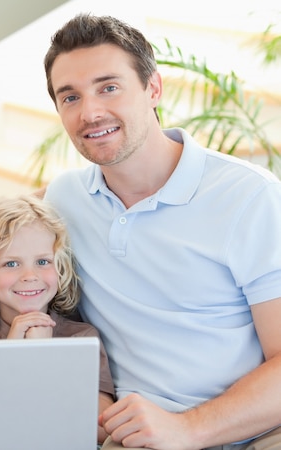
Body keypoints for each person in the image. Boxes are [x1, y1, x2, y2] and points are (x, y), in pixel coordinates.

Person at [41, 13, 281, 450]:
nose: (90, 112)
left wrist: (189, 429)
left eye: (108, 87)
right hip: (136, 435)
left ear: (153, 89)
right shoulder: (65, 199)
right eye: (70, 97)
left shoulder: (250, 198)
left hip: (256, 431)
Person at [0, 195, 115, 444]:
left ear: (59, 267)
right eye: (11, 263)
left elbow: (103, 430)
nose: (30, 275)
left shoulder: (81, 338)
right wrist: (14, 352)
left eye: (42, 261)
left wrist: (43, 355)